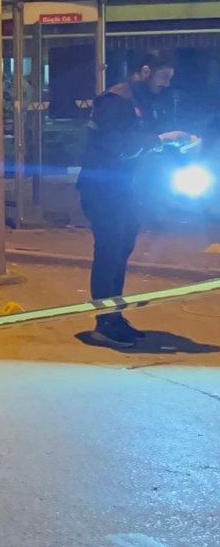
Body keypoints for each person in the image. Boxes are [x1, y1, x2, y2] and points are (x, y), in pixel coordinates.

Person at [77, 50, 200, 347]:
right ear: (145, 71)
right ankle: (104, 323)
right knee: (109, 254)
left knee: (120, 251)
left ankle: (114, 315)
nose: (166, 84)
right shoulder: (116, 101)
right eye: (163, 77)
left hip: (121, 190)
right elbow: (119, 146)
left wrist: (175, 142)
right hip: (102, 190)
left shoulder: (137, 100)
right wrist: (164, 139)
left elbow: (140, 141)